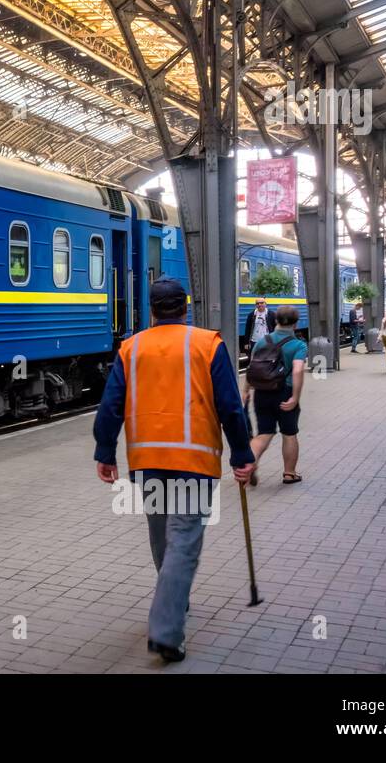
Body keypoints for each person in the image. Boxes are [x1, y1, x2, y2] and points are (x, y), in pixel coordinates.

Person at [93, 277, 254, 663]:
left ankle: (174, 602)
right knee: (183, 541)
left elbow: (110, 405)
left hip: (146, 460)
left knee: (161, 536)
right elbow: (230, 405)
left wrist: (105, 450)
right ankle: (166, 630)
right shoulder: (207, 344)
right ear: (185, 307)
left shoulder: (131, 348)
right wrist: (242, 453)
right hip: (193, 460)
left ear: (151, 309)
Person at [243, 305, 308, 486]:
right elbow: (297, 370)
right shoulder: (298, 345)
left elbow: (252, 368)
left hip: (261, 393)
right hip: (284, 393)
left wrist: (245, 390)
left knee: (264, 432)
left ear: (276, 320)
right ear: (295, 325)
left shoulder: (262, 341)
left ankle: (249, 463)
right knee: (289, 433)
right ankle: (289, 473)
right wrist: (295, 397)